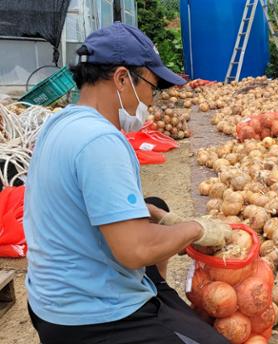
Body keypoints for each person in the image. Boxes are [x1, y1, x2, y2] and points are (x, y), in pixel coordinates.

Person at [24, 23, 230, 344]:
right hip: (89, 317)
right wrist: (196, 228)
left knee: (155, 207)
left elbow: (85, 199)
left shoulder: (62, 121)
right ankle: (150, 314)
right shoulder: (100, 141)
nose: (152, 98)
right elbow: (135, 250)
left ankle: (159, 300)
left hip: (49, 298)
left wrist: (160, 217)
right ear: (122, 79)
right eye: (152, 86)